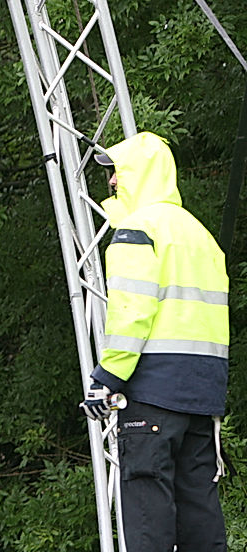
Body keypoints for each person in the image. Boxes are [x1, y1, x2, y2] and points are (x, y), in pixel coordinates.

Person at [80, 131, 229, 552]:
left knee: (149, 515)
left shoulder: (137, 229)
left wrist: (107, 378)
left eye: (116, 171)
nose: (110, 182)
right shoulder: (201, 236)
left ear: (139, 173)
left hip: (153, 392)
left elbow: (132, 313)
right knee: (200, 508)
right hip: (202, 396)